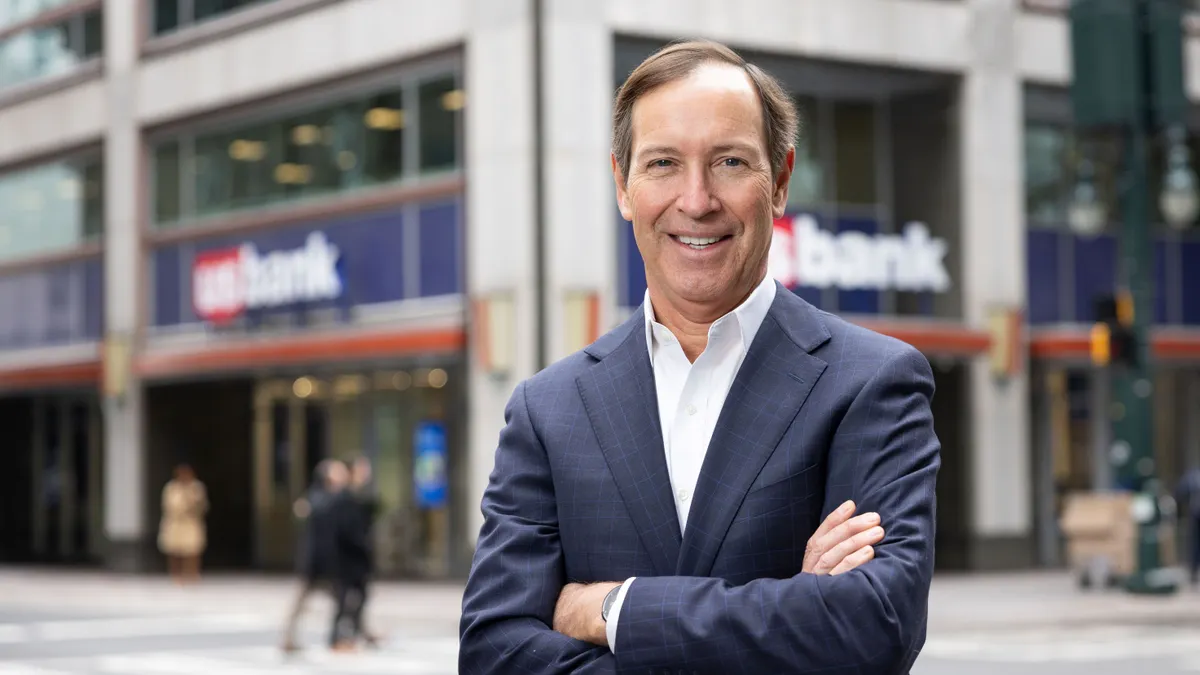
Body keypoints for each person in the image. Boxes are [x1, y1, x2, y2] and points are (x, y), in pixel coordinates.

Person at [459, 39, 941, 674]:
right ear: (622, 185)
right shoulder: (548, 411)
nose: (696, 200)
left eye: (730, 162)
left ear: (781, 181)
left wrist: (615, 610)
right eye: (662, 163)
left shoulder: (872, 384)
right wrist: (793, 607)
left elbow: (874, 628)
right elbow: (494, 654)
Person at [281, 459, 348, 654]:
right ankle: (291, 638)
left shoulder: (322, 499)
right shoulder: (321, 499)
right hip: (317, 562)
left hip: (324, 562)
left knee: (346, 599)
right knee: (341, 599)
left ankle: (350, 633)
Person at [157, 464, 208, 586]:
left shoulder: (196, 487)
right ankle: (176, 575)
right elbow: (168, 504)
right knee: (174, 550)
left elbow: (202, 505)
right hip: (175, 522)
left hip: (191, 522)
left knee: (192, 549)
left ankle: (192, 573)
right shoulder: (171, 488)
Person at [1175, 465, 1200, 588]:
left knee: (1195, 544)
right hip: (1195, 514)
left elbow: (1180, 493)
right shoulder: (1192, 476)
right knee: (1194, 544)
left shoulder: (1193, 476)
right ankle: (1193, 572)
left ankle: (1193, 573)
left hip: (1195, 513)